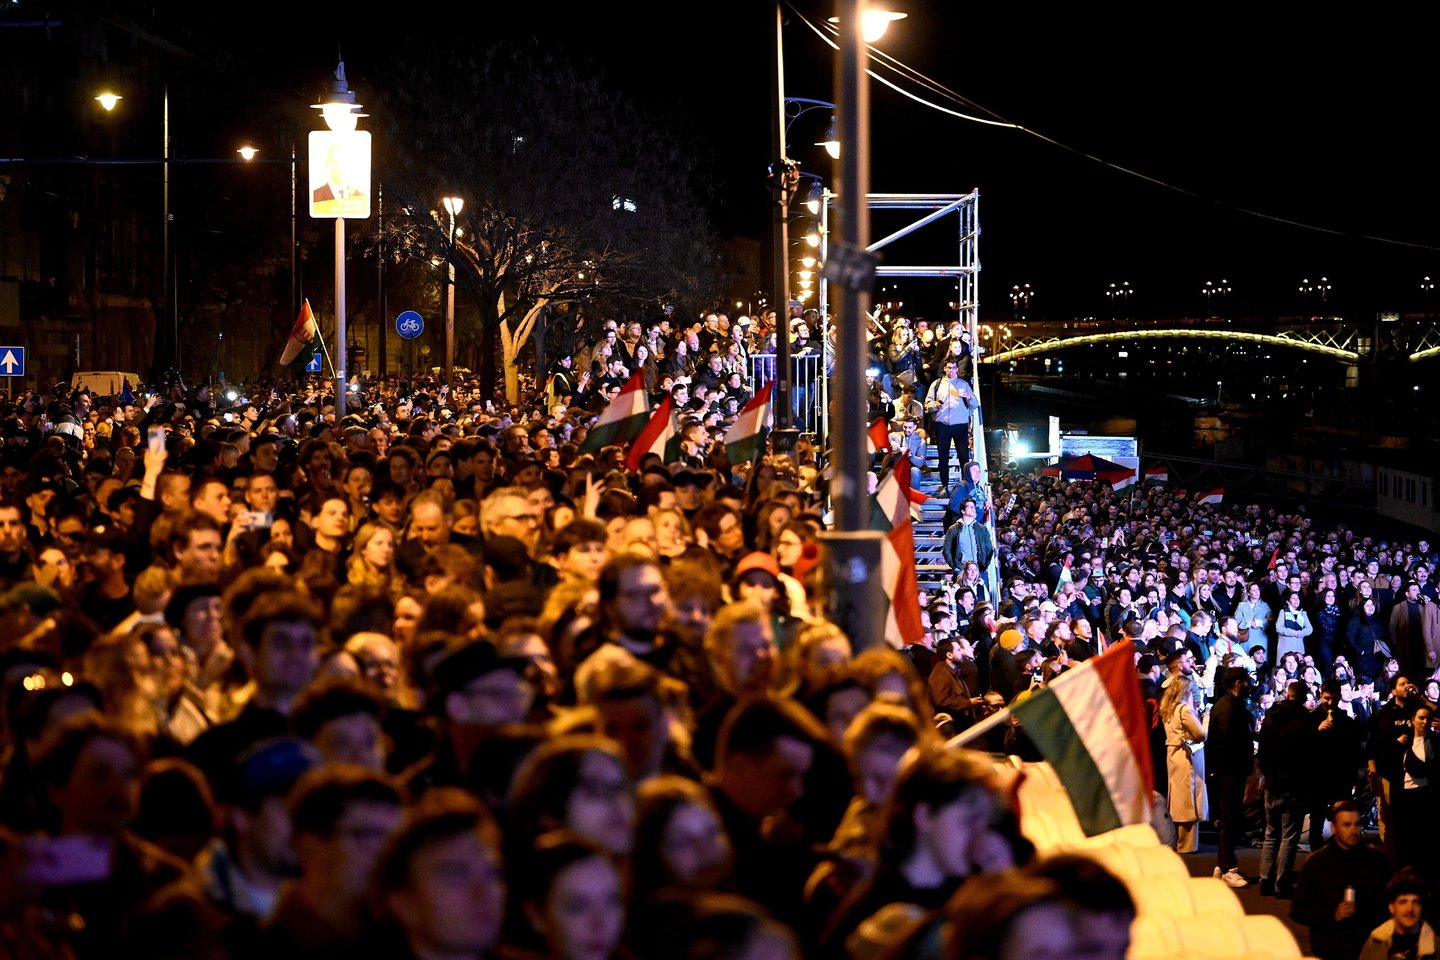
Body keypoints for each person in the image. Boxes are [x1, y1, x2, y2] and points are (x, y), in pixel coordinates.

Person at [1291, 800, 1394, 960]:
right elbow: (1298, 910)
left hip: (1370, 947)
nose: (1353, 830)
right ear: (1333, 828)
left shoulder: (1378, 862)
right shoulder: (1317, 863)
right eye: (1346, 825)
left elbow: (1390, 904)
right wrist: (1332, 915)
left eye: (1357, 824)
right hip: (1329, 947)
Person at [1256, 680, 1313, 897]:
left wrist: (1267, 773)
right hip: (1294, 784)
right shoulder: (1305, 720)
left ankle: (1265, 880)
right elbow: (1308, 756)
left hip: (1272, 782)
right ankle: (1281, 883)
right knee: (1289, 836)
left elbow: (1262, 749)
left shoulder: (1271, 716)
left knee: (1271, 833)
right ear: (1303, 697)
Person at [1206, 666, 1255, 888]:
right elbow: (1227, 743)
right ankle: (1228, 867)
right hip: (1229, 772)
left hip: (1228, 770)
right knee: (1229, 819)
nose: (1249, 685)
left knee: (1229, 818)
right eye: (1246, 681)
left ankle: (1222, 864)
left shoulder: (1227, 705)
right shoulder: (1229, 708)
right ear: (1237, 683)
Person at [1161, 673, 1206, 854]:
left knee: (1178, 798)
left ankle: (1179, 840)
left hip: (1173, 756)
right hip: (1187, 757)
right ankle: (1187, 844)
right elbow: (1201, 734)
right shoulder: (1184, 710)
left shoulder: (1168, 709)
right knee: (1189, 798)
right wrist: (1207, 719)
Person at [923, 359, 979, 496]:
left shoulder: (963, 384)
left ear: (957, 369)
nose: (951, 370)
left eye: (953, 368)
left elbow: (975, 404)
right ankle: (945, 486)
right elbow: (927, 404)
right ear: (945, 368)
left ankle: (966, 487)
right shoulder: (937, 384)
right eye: (948, 367)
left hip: (960, 425)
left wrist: (968, 396)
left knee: (964, 457)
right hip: (942, 425)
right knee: (943, 457)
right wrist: (935, 405)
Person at [1357, 869, 1435, 960]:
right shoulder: (1376, 941)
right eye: (1403, 902)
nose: (1410, 909)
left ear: (1421, 907)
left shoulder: (1435, 945)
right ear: (1391, 907)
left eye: (1415, 902)